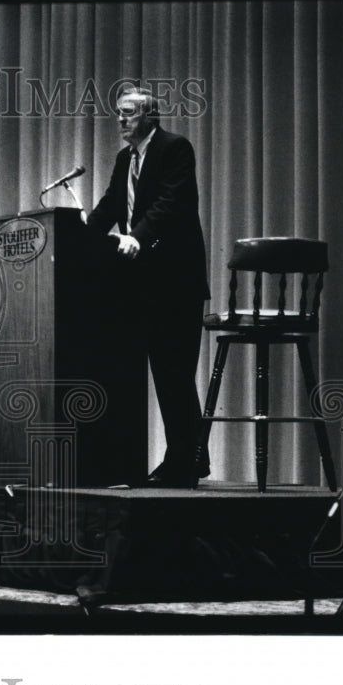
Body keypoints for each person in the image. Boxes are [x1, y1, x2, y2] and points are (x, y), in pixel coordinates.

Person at [87, 87, 210, 487]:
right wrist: (77, 236)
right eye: (118, 114)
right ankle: (185, 461)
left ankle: (187, 462)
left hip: (175, 280)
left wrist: (138, 236)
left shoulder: (175, 148)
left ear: (150, 116)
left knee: (174, 373)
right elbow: (110, 205)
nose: (121, 120)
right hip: (139, 284)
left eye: (129, 114)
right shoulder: (126, 158)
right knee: (157, 374)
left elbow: (169, 203)